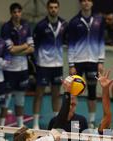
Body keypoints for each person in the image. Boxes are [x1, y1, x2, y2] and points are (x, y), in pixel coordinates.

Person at [68, 0, 105, 129]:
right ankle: (72, 118)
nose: (86, 3)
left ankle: (91, 120)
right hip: (77, 62)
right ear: (80, 3)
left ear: (92, 3)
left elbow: (101, 41)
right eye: (83, 1)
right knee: (74, 92)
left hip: (93, 61)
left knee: (92, 92)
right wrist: (71, 64)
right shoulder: (74, 22)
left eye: (88, 0)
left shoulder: (99, 20)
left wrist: (100, 61)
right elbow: (70, 45)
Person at [33, 0, 68, 130]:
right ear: (47, 9)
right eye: (51, 7)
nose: (53, 10)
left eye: (55, 7)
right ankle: (36, 123)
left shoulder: (64, 24)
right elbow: (34, 45)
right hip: (43, 65)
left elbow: (67, 42)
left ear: (58, 9)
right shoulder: (41, 25)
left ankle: (56, 122)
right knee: (39, 94)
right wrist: (38, 61)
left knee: (56, 94)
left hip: (57, 65)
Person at [1, 3, 34, 129]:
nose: (17, 14)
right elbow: (10, 50)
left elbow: (32, 49)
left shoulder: (26, 26)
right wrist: (25, 46)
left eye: (19, 12)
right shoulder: (5, 27)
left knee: (20, 98)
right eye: (14, 12)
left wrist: (19, 49)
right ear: (11, 13)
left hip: (23, 69)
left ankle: (20, 126)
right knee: (6, 99)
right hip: (9, 69)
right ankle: (1, 129)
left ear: (21, 13)